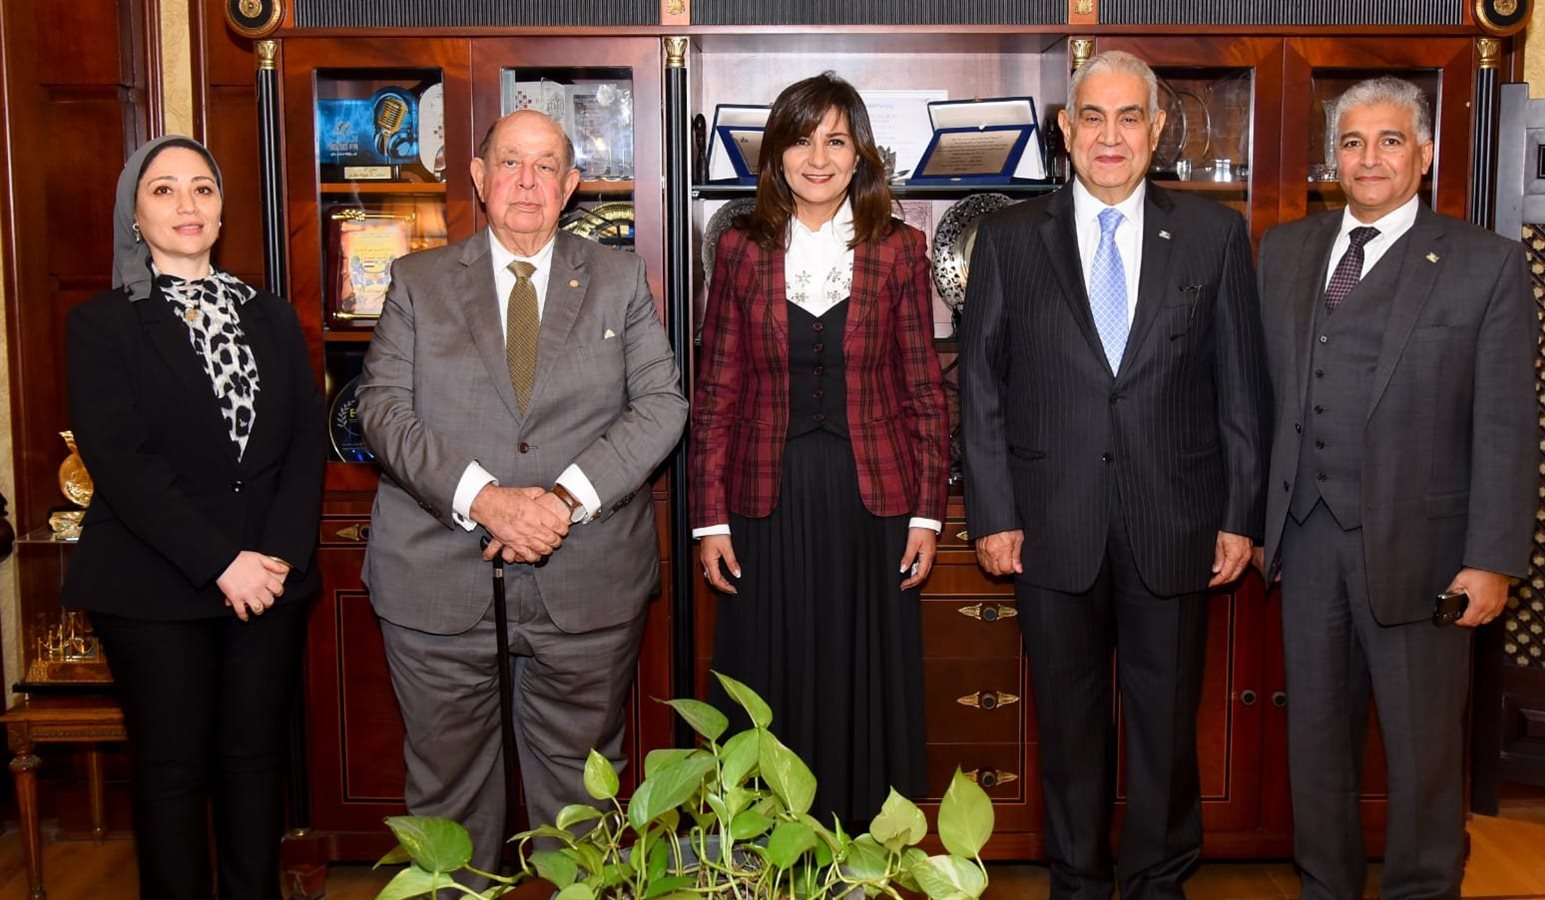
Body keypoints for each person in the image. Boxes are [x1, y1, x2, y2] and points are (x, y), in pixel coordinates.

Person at [959, 50, 1268, 899]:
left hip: (1177, 523)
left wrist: (1240, 516)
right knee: (1069, 727)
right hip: (1049, 523)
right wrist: (993, 513)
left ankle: (1158, 883)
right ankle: (1078, 882)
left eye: (1129, 117)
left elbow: (1242, 389)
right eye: (1092, 117)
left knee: (1166, 727)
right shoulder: (1009, 239)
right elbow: (981, 387)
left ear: (1157, 130)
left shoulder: (1212, 235)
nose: (1110, 135)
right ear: (1066, 129)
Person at [358, 109, 687, 877]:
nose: (528, 182)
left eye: (546, 166)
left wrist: (561, 502)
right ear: (479, 177)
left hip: (586, 578)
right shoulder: (417, 281)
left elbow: (662, 406)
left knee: (583, 798)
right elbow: (382, 410)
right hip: (437, 580)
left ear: (571, 185)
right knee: (446, 795)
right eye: (510, 162)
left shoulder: (618, 278)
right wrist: (485, 499)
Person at [1257, 76, 1537, 899]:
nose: (1369, 158)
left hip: (1429, 555)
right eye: (1352, 142)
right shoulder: (1284, 252)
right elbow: (1258, 397)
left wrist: (1492, 560)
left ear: (1425, 154)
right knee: (1316, 745)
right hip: (1306, 540)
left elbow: (1506, 424)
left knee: (1423, 755)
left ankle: (1423, 890)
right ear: (1333, 158)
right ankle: (1326, 887)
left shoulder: (1484, 263)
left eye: (1389, 141)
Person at [63, 134, 324, 900]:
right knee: (173, 769)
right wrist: (221, 563)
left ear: (221, 210)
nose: (187, 204)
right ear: (134, 215)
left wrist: (276, 558)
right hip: (153, 584)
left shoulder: (272, 316)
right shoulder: (101, 325)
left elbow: (305, 443)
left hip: (268, 582)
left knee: (255, 763)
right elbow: (124, 464)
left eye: (203, 188)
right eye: (164, 189)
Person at [690, 72, 949, 825]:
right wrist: (709, 521)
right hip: (764, 503)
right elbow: (717, 391)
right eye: (801, 140)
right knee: (769, 676)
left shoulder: (900, 250)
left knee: (859, 677)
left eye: (835, 141)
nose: (818, 158)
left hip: (873, 506)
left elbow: (923, 389)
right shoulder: (740, 249)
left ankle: (858, 849)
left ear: (859, 154)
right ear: (776, 154)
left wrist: (927, 515)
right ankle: (764, 849)